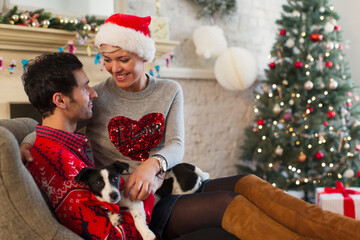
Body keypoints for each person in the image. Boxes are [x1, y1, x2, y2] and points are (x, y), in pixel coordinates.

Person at [21, 13, 360, 240]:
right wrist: (29, 138)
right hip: (141, 201)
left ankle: (348, 231)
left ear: (143, 55)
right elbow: (59, 128)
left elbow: (176, 142)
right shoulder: (95, 99)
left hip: (169, 179)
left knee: (250, 183)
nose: (113, 69)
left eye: (123, 59)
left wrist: (154, 164)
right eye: (107, 60)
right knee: (230, 203)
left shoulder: (169, 90)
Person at [22, 52, 153, 240]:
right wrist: (148, 196)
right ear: (60, 101)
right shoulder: (57, 163)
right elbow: (112, 236)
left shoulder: (63, 145)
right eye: (85, 88)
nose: (94, 94)